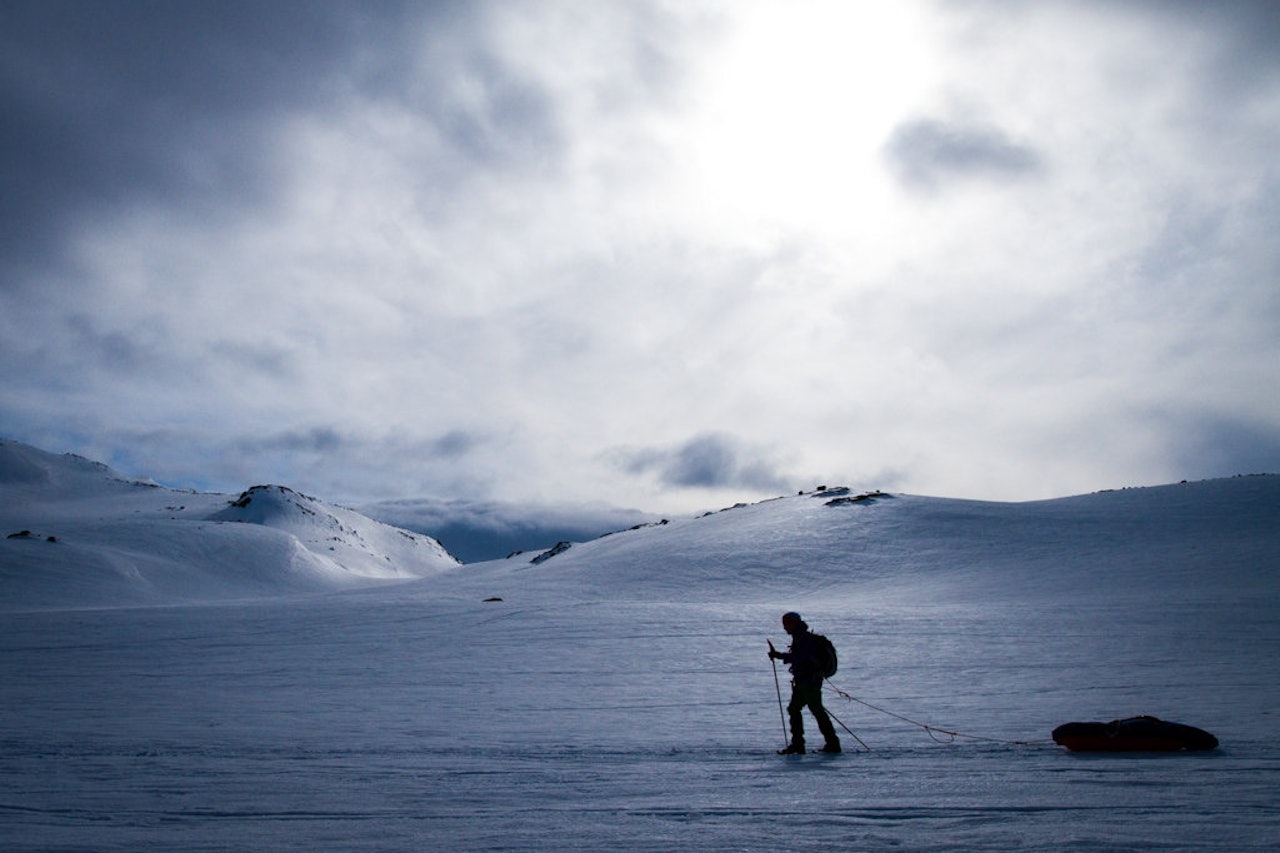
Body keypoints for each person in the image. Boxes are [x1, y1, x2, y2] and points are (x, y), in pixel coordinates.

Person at [767, 611, 841, 754]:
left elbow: (800, 657)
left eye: (786, 624)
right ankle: (801, 745)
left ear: (793, 624)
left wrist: (779, 656)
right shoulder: (801, 637)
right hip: (804, 681)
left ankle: (830, 744)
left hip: (809, 681)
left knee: (815, 710)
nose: (784, 628)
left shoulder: (804, 638)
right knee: (796, 709)